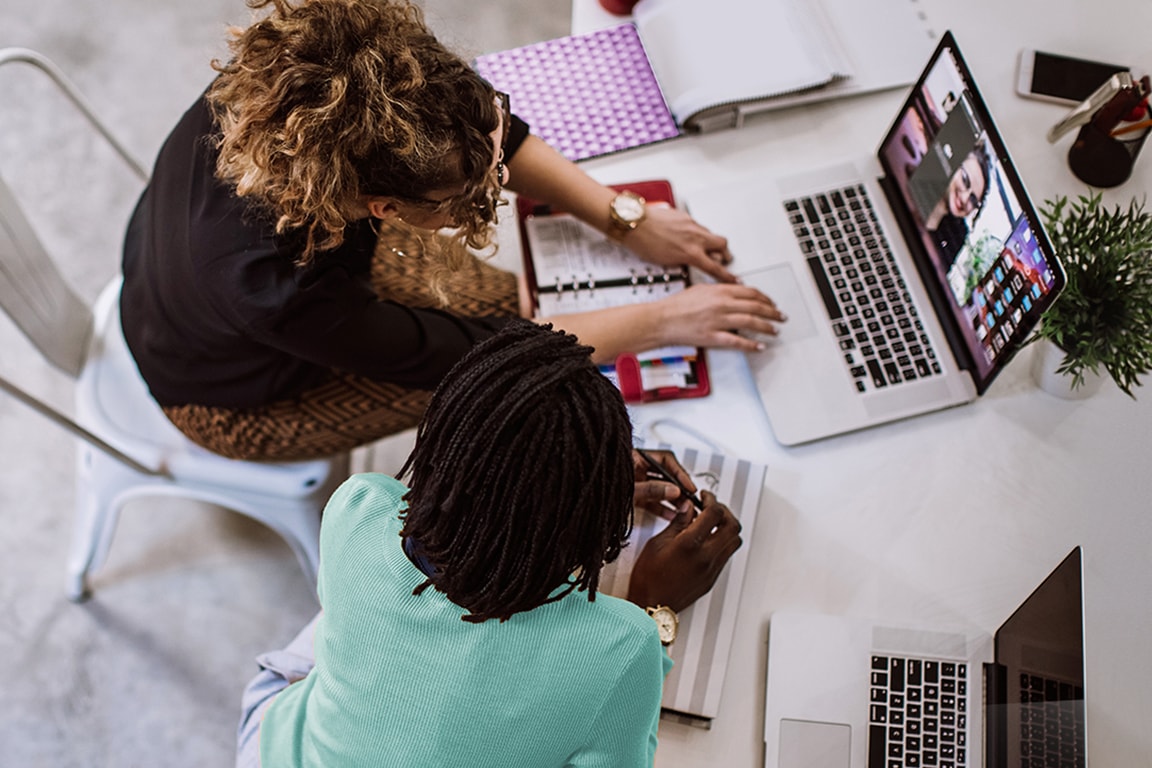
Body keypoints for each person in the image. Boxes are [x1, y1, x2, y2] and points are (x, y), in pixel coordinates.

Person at [120, 0, 785, 461]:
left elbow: (481, 132)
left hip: (199, 275)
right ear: (383, 207)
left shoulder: (357, 79)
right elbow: (476, 355)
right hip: (229, 394)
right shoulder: (275, 288)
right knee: (506, 391)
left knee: (518, 310)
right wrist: (665, 321)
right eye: (468, 193)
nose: (497, 185)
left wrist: (619, 214)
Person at [234, 320, 744, 767]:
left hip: (281, 751)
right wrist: (654, 608)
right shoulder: (624, 647)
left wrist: (554, 480)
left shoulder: (359, 507)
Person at [923, 142, 992, 267]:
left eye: (973, 199)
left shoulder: (957, 235)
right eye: (965, 180)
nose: (965, 198)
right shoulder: (922, 180)